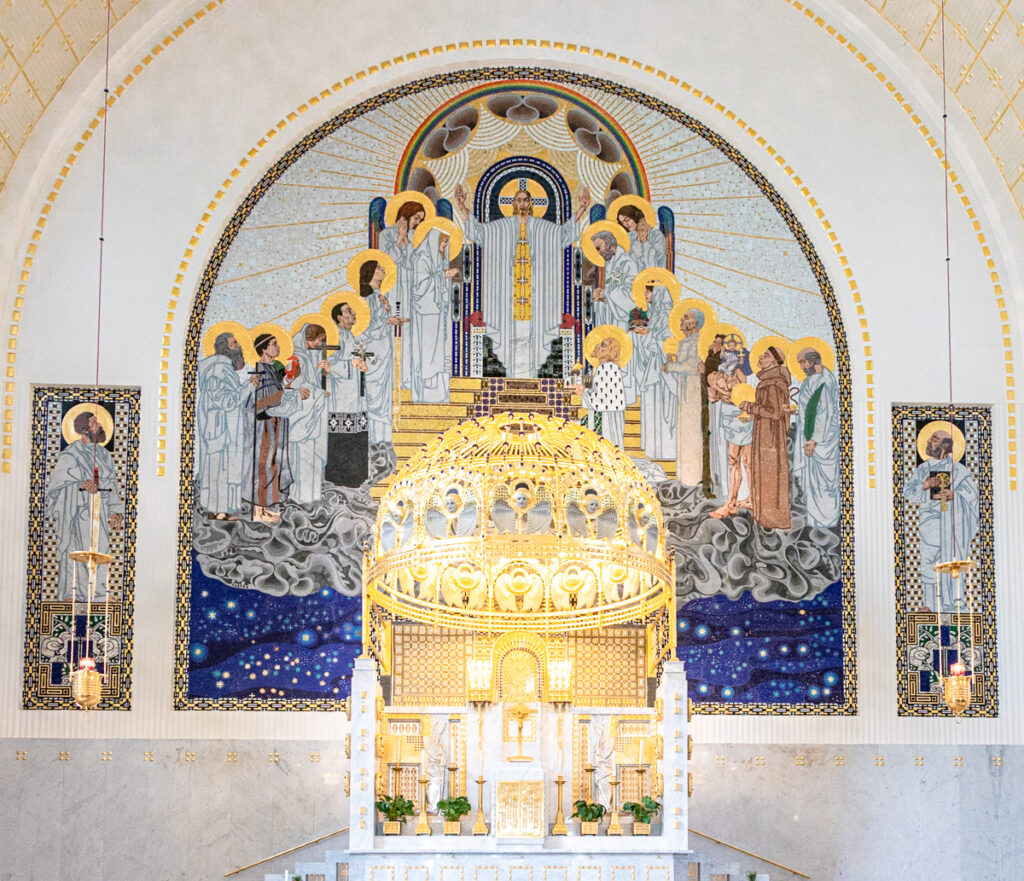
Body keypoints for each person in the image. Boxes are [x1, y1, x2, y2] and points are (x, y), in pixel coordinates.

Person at [453, 182, 589, 377]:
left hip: (535, 301)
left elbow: (563, 235)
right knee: (511, 347)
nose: (522, 204)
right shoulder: (502, 228)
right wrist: (461, 206)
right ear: (513, 204)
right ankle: (513, 381)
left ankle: (531, 382)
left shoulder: (542, 229)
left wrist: (582, 209)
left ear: (531, 203)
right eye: (519, 200)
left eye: (526, 200)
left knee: (533, 347)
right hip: (509, 302)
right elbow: (480, 232)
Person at [45, 411, 124, 600]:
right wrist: (80, 484)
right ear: (83, 429)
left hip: (99, 511)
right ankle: (70, 592)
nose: (99, 425)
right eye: (94, 423)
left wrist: (116, 511)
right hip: (76, 511)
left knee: (101, 549)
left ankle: (98, 592)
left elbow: (111, 483)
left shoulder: (104, 455)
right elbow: (56, 484)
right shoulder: (71, 454)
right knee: (76, 550)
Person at [902, 429, 980, 610]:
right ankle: (929, 604)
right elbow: (908, 492)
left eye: (935, 439)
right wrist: (925, 485)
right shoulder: (923, 469)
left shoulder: (959, 470)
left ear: (945, 445)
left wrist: (955, 495)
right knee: (928, 561)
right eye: (931, 438)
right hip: (929, 522)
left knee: (953, 561)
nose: (931, 442)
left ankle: (955, 602)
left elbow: (973, 497)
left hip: (953, 523)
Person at [249, 332, 309, 522]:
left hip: (276, 421)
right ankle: (259, 511)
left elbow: (280, 391)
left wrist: (292, 383)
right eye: (274, 344)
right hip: (265, 423)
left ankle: (269, 506)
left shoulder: (272, 369)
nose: (278, 347)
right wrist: (292, 395)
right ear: (264, 349)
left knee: (274, 462)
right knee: (264, 463)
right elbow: (264, 400)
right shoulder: (260, 371)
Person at [196, 331, 252, 520]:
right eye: (235, 343)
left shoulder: (224, 368)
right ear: (226, 348)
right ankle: (217, 511)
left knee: (226, 469)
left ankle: (225, 509)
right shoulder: (217, 370)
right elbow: (227, 400)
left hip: (226, 429)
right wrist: (249, 386)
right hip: (219, 430)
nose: (239, 346)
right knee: (219, 470)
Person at [739, 345, 792, 529]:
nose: (761, 357)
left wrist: (750, 407)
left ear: (774, 361)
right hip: (764, 432)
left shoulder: (774, 383)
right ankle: (764, 517)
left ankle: (773, 519)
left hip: (771, 436)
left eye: (766, 355)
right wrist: (752, 414)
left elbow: (774, 412)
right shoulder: (768, 381)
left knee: (770, 471)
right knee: (764, 472)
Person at [358, 259, 407, 444]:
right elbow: (365, 328)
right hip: (374, 356)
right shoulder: (367, 299)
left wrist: (387, 313)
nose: (383, 269)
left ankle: (383, 440)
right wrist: (387, 321)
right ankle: (374, 439)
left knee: (383, 397)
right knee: (375, 396)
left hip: (383, 353)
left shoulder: (379, 297)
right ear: (371, 273)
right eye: (379, 268)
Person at [379, 200, 426, 389]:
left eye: (420, 220)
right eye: (416, 218)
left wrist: (407, 238)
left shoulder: (415, 237)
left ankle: (406, 378)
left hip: (409, 290)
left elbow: (415, 264)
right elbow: (387, 259)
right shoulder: (386, 234)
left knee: (408, 333)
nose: (417, 222)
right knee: (392, 331)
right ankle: (391, 378)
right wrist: (400, 236)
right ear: (406, 214)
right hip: (392, 288)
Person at [793, 347, 840, 529]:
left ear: (813, 361)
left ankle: (826, 521)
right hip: (812, 436)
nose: (802, 366)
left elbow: (823, 413)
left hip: (821, 441)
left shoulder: (823, 381)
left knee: (823, 483)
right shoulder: (813, 379)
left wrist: (813, 439)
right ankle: (815, 521)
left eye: (803, 362)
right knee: (813, 483)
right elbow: (808, 409)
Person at [410, 228, 459, 402]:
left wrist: (444, 277)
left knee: (438, 354)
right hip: (425, 314)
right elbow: (418, 287)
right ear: (434, 241)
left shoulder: (438, 259)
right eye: (444, 242)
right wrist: (442, 275)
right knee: (428, 353)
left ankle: (440, 392)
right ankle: (426, 392)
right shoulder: (420, 258)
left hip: (437, 313)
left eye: (447, 243)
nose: (445, 246)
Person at [324, 301, 369, 487]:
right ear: (339, 317)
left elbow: (361, 360)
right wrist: (350, 365)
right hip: (340, 398)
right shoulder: (334, 337)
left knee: (358, 432)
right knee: (342, 436)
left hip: (356, 396)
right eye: (348, 311)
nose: (353, 313)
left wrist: (364, 364)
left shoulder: (354, 338)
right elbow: (328, 364)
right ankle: (340, 478)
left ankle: (357, 477)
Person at [630, 283, 676, 460]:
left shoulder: (666, 316)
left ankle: (665, 451)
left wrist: (648, 338)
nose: (647, 298)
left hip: (663, 370)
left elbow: (666, 343)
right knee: (652, 405)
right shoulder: (655, 315)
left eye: (648, 294)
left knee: (661, 405)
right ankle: (653, 450)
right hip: (653, 367)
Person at [286, 324, 331, 504]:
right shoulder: (295, 357)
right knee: (303, 457)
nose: (320, 343)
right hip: (302, 417)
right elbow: (294, 383)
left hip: (312, 415)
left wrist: (322, 370)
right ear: (308, 337)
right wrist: (319, 393)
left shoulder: (305, 357)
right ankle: (302, 497)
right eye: (318, 339)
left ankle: (312, 496)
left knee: (311, 457)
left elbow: (309, 380)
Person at [706, 351, 753, 519]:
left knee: (745, 461)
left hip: (744, 416)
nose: (729, 361)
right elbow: (712, 397)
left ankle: (741, 501)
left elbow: (743, 393)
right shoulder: (714, 375)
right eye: (726, 358)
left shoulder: (739, 374)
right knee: (735, 461)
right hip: (729, 417)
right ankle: (732, 501)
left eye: (732, 358)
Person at [663, 308, 703, 484]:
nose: (682, 321)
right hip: (685, 391)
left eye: (686, 318)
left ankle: (692, 478)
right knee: (684, 432)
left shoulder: (696, 341)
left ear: (696, 323)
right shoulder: (686, 341)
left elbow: (693, 366)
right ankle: (684, 476)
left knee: (691, 433)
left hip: (694, 392)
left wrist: (672, 367)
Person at [574, 335, 627, 448]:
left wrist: (584, 392)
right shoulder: (603, 367)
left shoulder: (608, 368)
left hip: (606, 417)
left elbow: (603, 400)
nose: (598, 346)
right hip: (603, 414)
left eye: (604, 346)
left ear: (611, 352)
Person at [591, 232, 640, 331]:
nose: (598, 252)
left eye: (598, 248)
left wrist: (606, 294)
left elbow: (632, 294)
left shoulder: (627, 263)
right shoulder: (610, 263)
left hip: (622, 320)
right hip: (610, 316)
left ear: (608, 244)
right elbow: (610, 287)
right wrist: (600, 295)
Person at [616, 204, 666, 269]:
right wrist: (638, 240)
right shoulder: (630, 237)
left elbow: (653, 265)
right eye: (622, 223)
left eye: (627, 220)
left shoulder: (656, 235)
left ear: (635, 216)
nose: (625, 224)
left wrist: (644, 241)